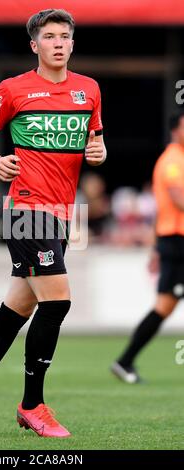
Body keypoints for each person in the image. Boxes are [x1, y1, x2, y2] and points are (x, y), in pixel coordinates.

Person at [0, 9, 106, 437]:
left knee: (19, 308)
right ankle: (33, 406)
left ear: (71, 43)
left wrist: (98, 152)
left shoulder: (88, 90)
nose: (58, 43)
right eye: (49, 36)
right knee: (58, 302)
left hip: (62, 214)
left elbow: (95, 139)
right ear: (35, 45)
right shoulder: (13, 89)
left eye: (64, 36)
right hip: (24, 211)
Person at [111, 112, 184, 384]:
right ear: (175, 131)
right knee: (164, 306)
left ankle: (125, 361)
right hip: (177, 243)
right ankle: (125, 360)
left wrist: (155, 248)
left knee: (164, 306)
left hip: (172, 241)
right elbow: (177, 199)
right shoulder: (172, 160)